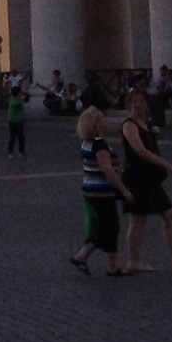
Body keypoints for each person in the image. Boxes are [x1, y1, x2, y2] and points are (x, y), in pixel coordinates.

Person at [117, 89, 172, 272]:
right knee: (138, 219)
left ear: (147, 104)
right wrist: (169, 166)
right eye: (134, 101)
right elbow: (140, 151)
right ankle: (133, 262)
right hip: (137, 178)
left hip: (151, 177)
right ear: (129, 105)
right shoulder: (129, 125)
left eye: (141, 101)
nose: (138, 104)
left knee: (170, 214)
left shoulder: (146, 124)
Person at [68, 105, 132, 276]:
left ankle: (112, 264)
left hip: (90, 189)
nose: (106, 121)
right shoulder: (99, 144)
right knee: (109, 226)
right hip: (101, 190)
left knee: (108, 225)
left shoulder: (86, 142)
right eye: (102, 119)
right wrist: (123, 189)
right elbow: (108, 170)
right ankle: (82, 256)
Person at [5, 80, 29, 157]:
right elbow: (15, 104)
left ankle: (19, 151)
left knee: (20, 138)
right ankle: (11, 152)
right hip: (14, 121)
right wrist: (22, 98)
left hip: (17, 120)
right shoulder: (15, 100)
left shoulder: (12, 99)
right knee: (13, 138)